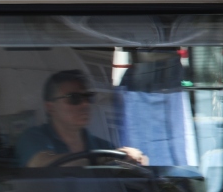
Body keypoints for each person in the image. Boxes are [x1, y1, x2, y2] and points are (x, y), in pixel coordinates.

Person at [16, 70, 148, 168]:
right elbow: (40, 163)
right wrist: (102, 158)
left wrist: (136, 161)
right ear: (50, 107)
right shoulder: (32, 137)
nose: (85, 104)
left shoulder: (103, 146)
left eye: (88, 97)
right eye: (74, 98)